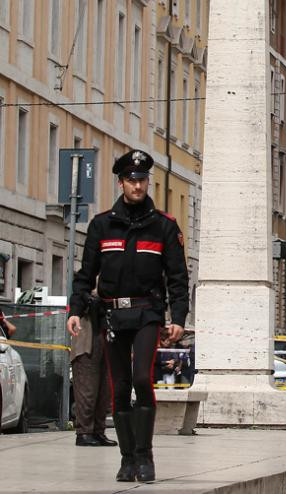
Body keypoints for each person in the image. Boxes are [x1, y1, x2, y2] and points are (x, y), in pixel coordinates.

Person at [67, 150, 189, 483]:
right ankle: (126, 459)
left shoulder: (164, 226)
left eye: (142, 179)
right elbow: (85, 273)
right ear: (121, 182)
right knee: (119, 387)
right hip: (112, 315)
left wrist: (177, 317)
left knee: (140, 380)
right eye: (131, 180)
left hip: (147, 312)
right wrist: (75, 310)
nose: (138, 185)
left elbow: (178, 277)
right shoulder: (102, 225)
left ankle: (145, 457)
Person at [69, 291, 116, 447]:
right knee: (87, 389)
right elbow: (78, 299)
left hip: (106, 337)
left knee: (104, 391)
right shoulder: (85, 284)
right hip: (87, 338)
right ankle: (84, 432)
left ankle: (98, 431)